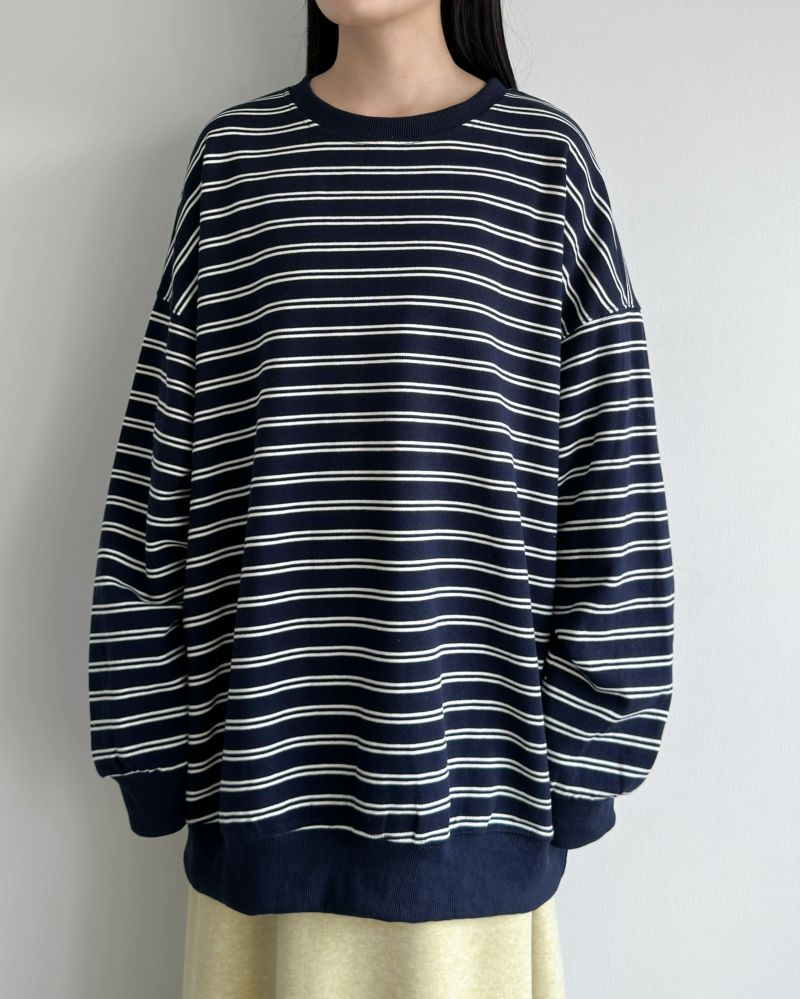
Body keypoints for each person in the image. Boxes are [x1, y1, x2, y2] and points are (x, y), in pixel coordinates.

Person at [87, 2, 674, 996]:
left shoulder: (541, 164)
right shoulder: (237, 162)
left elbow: (609, 476)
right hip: (259, 798)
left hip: (474, 806)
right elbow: (160, 465)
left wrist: (588, 757)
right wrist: (148, 744)